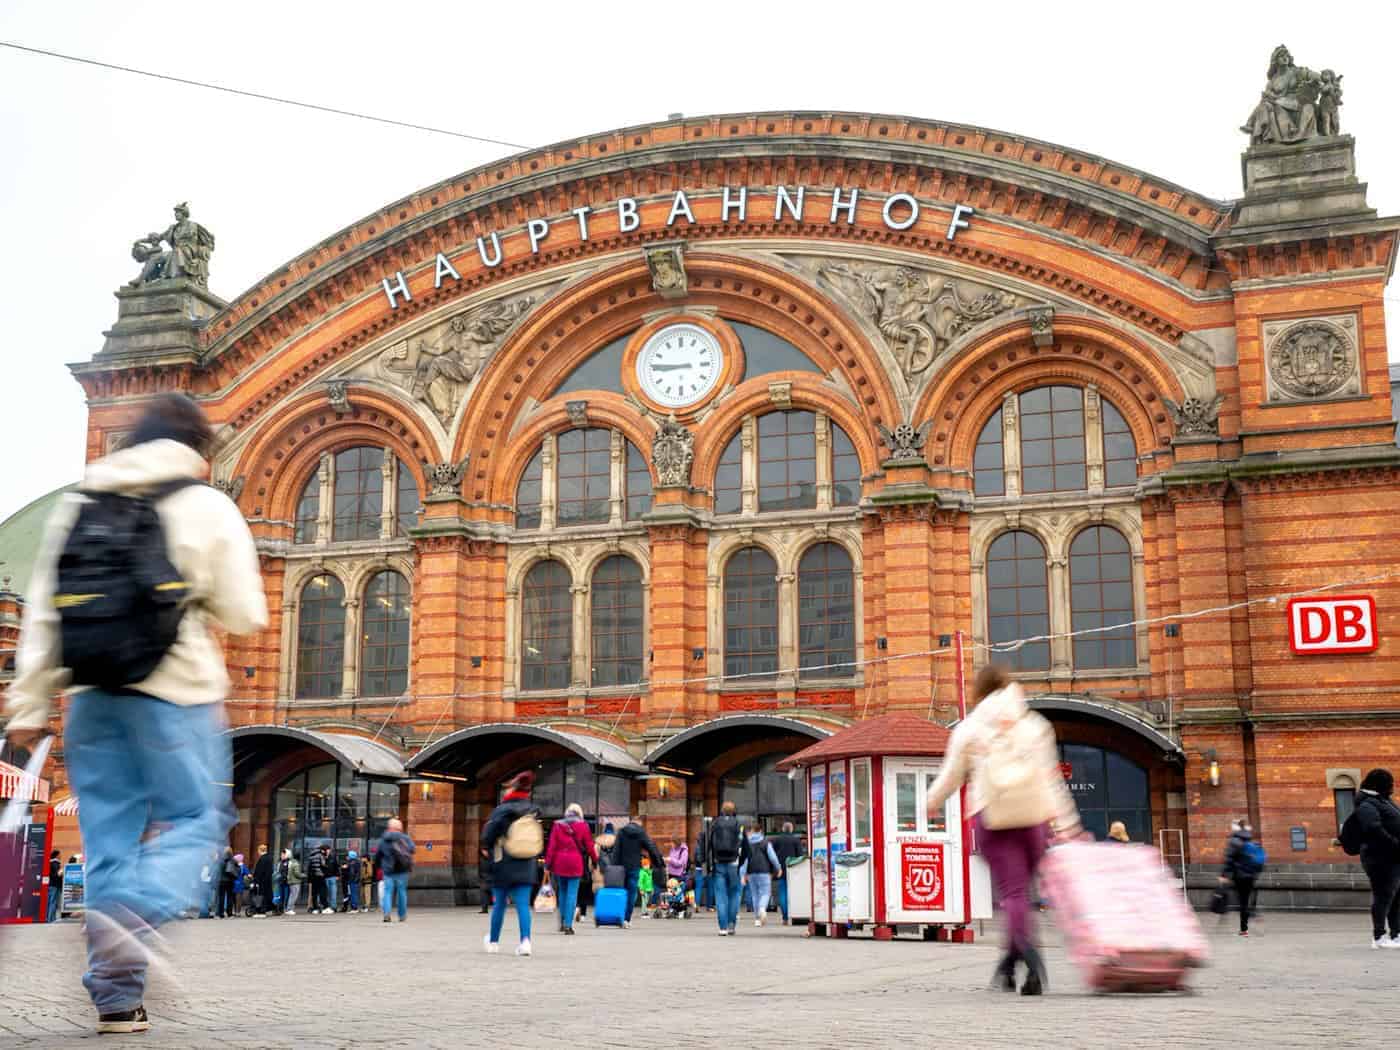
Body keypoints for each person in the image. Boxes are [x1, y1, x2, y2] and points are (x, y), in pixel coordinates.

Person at [2, 393, 268, 1034]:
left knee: (109, 849)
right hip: (174, 695)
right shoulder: (206, 505)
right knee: (198, 818)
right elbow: (247, 613)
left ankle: (118, 1000)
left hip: (90, 700)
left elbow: (43, 615)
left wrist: (28, 708)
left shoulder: (81, 504)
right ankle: (134, 915)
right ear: (197, 449)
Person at [926, 665, 1081, 996]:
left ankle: (1031, 957)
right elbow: (1051, 779)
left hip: (993, 816)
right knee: (1023, 895)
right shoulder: (1035, 725)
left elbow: (952, 774)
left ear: (979, 691)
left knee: (1012, 895)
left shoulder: (970, 728)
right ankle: (1008, 965)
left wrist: (931, 801)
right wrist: (1067, 824)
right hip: (1034, 818)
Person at [481, 772, 542, 955]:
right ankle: (525, 942)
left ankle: (493, 942)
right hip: (526, 863)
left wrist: (487, 847)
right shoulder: (532, 810)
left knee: (499, 904)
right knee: (523, 905)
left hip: (503, 863)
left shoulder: (502, 810)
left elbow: (488, 835)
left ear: (513, 789)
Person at [1351, 768, 1400, 949]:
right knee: (1384, 896)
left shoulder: (1382, 799)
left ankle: (1396, 934)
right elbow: (1374, 829)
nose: (1392, 787)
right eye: (1389, 784)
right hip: (1380, 858)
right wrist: (1395, 843)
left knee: (1395, 897)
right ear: (1379, 784)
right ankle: (1379, 937)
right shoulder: (1366, 803)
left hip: (1393, 857)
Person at [543, 802, 598, 935]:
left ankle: (562, 922)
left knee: (562, 892)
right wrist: (595, 860)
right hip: (575, 863)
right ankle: (568, 925)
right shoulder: (583, 826)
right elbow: (590, 846)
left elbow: (551, 846)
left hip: (559, 863)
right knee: (572, 894)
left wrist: (547, 864)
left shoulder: (557, 825)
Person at [706, 802, 751, 936]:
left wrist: (709, 864)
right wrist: (741, 862)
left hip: (718, 863)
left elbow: (708, 844)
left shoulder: (714, 824)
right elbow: (746, 847)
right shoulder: (739, 825)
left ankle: (722, 927)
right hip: (734, 864)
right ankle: (732, 925)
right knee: (735, 895)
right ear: (733, 812)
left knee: (720, 896)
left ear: (722, 811)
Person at [615, 817, 665, 928]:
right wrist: (658, 862)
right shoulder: (640, 832)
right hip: (634, 867)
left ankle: (619, 917)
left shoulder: (621, 832)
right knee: (632, 893)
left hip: (621, 868)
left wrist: (614, 866)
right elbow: (651, 847)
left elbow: (616, 850)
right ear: (639, 823)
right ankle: (626, 919)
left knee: (622, 892)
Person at [1220, 819, 1264, 937]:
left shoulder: (1234, 841)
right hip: (1251, 876)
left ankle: (1245, 929)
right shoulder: (1250, 840)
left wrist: (1224, 875)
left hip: (1239, 876)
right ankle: (1253, 916)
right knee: (1246, 900)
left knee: (1241, 903)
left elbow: (1229, 859)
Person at [373, 818, 415, 923]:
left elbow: (378, 855)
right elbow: (413, 849)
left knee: (387, 892)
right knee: (402, 892)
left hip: (388, 870)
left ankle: (387, 914)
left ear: (389, 828)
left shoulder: (384, 839)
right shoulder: (405, 838)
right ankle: (402, 915)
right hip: (402, 869)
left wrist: (378, 866)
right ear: (400, 828)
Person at [741, 827, 781, 926]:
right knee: (765, 893)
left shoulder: (747, 844)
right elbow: (773, 858)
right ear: (760, 832)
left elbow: (744, 860)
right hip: (764, 871)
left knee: (755, 895)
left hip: (751, 872)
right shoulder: (765, 843)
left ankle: (757, 919)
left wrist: (743, 874)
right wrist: (778, 868)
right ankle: (762, 908)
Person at [769, 822, 803, 924]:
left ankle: (785, 917)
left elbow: (771, 855)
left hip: (780, 870)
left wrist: (772, 869)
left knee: (783, 893)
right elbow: (800, 856)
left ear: (783, 829)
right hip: (793, 869)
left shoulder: (776, 840)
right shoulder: (796, 840)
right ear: (791, 829)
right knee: (793, 893)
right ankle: (795, 914)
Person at [276, 849, 301, 916]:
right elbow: (279, 871)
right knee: (282, 896)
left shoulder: (290, 862)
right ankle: (281, 909)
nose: (282, 855)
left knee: (287, 896)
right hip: (281, 881)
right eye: (281, 854)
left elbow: (289, 872)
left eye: (283, 854)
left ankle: (287, 908)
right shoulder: (280, 862)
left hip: (287, 882)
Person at [251, 844, 273, 917]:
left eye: (258, 850)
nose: (258, 852)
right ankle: (264, 911)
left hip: (262, 881)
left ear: (260, 850)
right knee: (265, 896)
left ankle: (261, 912)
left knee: (261, 896)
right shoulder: (269, 858)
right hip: (267, 881)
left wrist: (256, 880)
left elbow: (259, 871)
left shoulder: (262, 859)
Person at [305, 845, 327, 914]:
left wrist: (309, 879)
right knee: (322, 892)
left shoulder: (311, 856)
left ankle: (315, 908)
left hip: (313, 877)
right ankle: (324, 907)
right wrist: (325, 870)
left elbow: (308, 868)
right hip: (320, 876)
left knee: (314, 893)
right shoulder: (320, 855)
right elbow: (323, 865)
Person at [216, 848, 238, 919]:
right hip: (230, 881)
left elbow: (217, 870)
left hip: (221, 881)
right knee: (230, 897)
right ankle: (230, 914)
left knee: (221, 898)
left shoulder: (220, 860)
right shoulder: (234, 860)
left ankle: (220, 914)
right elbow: (237, 870)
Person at [47, 849, 64, 923]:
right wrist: (62, 871)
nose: (61, 856)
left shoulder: (50, 863)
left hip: (51, 884)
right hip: (55, 885)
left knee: (50, 902)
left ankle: (49, 918)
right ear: (57, 855)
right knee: (53, 902)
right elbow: (58, 874)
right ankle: (51, 919)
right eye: (60, 854)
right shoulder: (56, 864)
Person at [323, 846, 340, 915]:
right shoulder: (322, 857)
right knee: (325, 893)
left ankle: (333, 907)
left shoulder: (333, 857)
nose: (328, 851)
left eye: (328, 850)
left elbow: (336, 866)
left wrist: (338, 875)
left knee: (333, 893)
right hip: (324, 878)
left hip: (332, 877)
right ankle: (326, 907)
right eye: (326, 850)